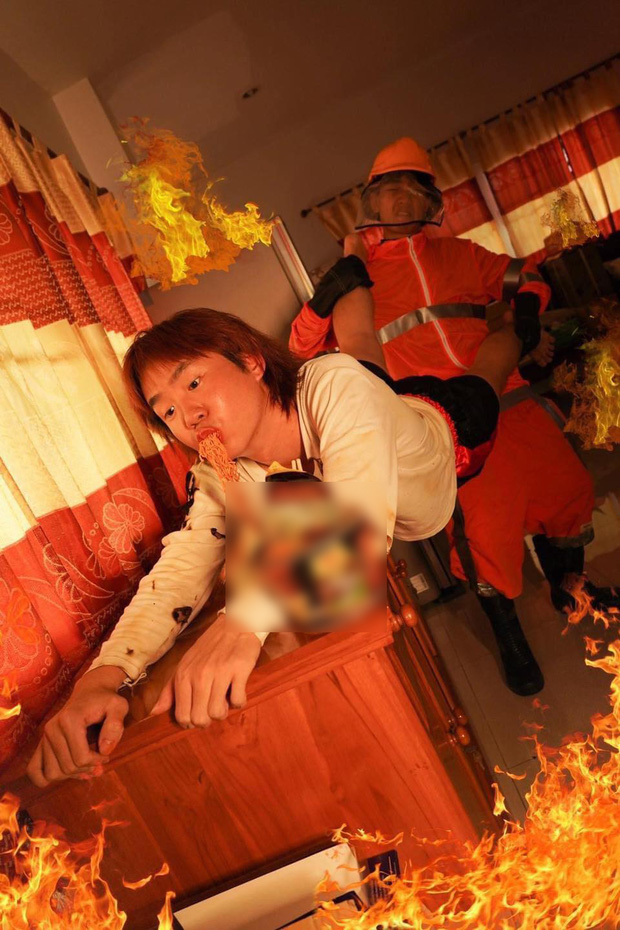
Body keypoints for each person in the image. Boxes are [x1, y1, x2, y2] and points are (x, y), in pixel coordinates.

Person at [27, 306, 521, 787]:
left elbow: (358, 533)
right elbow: (182, 567)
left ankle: (514, 321)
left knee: (484, 374)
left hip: (444, 430)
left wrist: (244, 621)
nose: (191, 416)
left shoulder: (334, 384)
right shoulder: (218, 470)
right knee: (363, 362)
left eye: (194, 383)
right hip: (364, 420)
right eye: (169, 411)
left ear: (251, 361)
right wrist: (101, 678)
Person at [290, 136, 612, 698]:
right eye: (390, 191)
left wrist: (528, 308)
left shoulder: (461, 254)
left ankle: (571, 588)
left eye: (413, 191)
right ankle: (510, 636)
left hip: (508, 397)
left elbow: (527, 276)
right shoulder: (355, 273)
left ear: (430, 202)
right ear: (371, 201)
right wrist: (328, 294)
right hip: (443, 424)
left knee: (566, 491)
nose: (401, 201)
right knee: (485, 533)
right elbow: (302, 346)